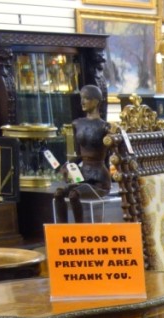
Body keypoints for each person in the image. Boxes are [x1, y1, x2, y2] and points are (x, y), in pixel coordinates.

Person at [52, 84, 111, 224]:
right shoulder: (77, 124)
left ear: (97, 101)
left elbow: (111, 153)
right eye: (81, 98)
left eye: (87, 98)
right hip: (83, 175)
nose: (82, 102)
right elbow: (79, 154)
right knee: (58, 194)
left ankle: (80, 230)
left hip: (99, 179)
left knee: (74, 195)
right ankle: (61, 230)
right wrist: (67, 165)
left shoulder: (105, 126)